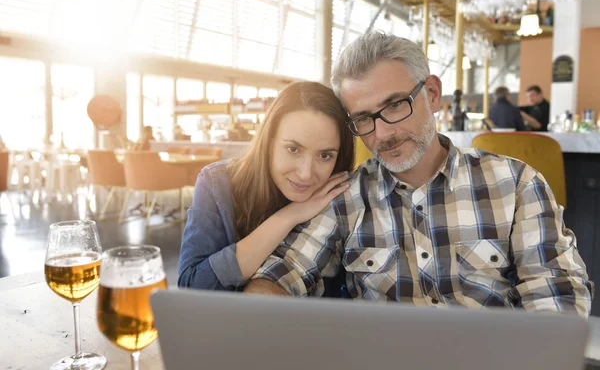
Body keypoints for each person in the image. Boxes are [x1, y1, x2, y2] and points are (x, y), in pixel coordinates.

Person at [245, 32, 593, 317]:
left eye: (395, 105)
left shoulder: (516, 185)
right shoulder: (345, 199)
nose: (381, 135)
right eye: (364, 118)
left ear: (432, 94)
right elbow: (279, 277)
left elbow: (555, 300)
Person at [178, 81, 355, 291]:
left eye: (325, 155)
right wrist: (288, 217)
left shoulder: (344, 197)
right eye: (293, 149)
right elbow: (193, 285)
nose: (306, 173)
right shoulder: (217, 184)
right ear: (268, 141)